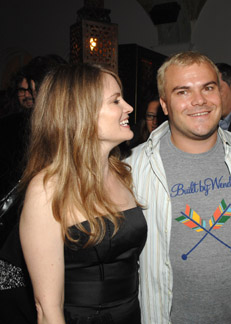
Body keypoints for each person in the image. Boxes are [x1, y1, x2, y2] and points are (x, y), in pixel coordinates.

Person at [126, 51, 231, 324]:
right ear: (165, 105)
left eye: (208, 88)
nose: (199, 100)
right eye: (183, 92)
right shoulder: (130, 169)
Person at [19, 63, 147, 324]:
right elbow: (47, 310)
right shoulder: (47, 190)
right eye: (116, 101)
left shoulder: (122, 173)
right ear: (82, 113)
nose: (129, 107)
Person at [0, 54, 67, 324]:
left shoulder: (46, 129)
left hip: (22, 253)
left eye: (30, 87)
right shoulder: (21, 128)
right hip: (17, 250)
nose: (26, 94)